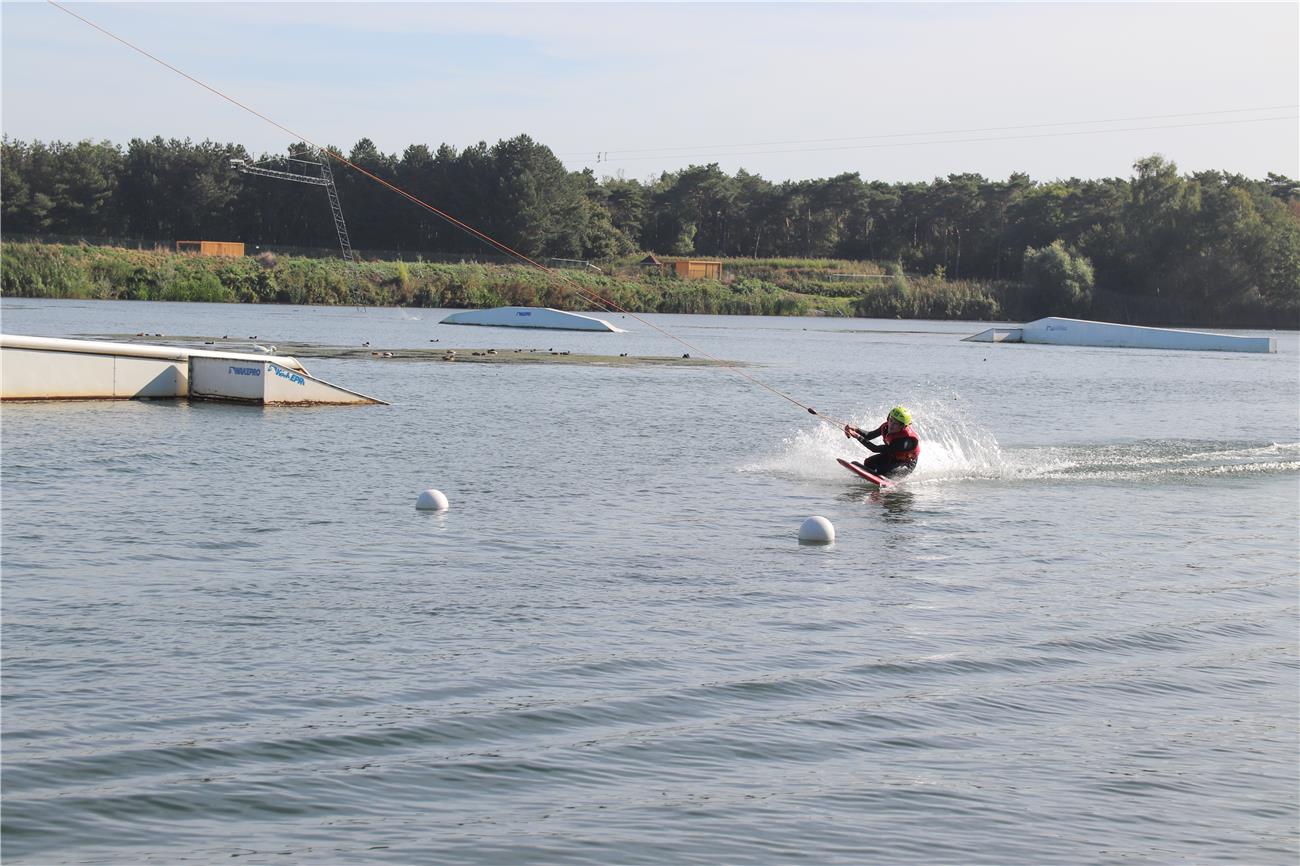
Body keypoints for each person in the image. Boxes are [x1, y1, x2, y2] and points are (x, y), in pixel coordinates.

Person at [844, 405, 921, 479]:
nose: (891, 425)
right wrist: (856, 429)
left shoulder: (905, 441)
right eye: (891, 420)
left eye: (896, 423)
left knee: (883, 471)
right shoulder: (886, 427)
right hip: (892, 456)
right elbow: (869, 435)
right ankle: (876, 475)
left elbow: (875, 449)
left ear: (903, 427)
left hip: (906, 463)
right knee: (868, 463)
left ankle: (890, 479)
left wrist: (857, 436)